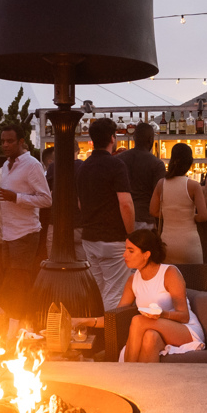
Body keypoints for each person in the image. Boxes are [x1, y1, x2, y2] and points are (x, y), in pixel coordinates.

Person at [76, 229, 205, 362]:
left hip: (185, 330)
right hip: (155, 333)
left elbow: (184, 316)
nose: (124, 255)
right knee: (150, 337)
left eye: (131, 251)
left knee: (138, 320)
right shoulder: (133, 280)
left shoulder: (169, 273)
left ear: (146, 254)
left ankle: (126, 372)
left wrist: (160, 314)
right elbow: (115, 317)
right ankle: (144, 381)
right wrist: (83, 321)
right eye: (126, 249)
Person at [0, 123, 51, 302]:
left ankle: (21, 322)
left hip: (25, 233)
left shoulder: (32, 165)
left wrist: (16, 198)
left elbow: (46, 200)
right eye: (3, 141)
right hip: (7, 234)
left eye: (10, 141)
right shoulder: (6, 165)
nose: (5, 145)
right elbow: (12, 199)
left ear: (21, 141)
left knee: (19, 283)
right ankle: (15, 321)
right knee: (11, 282)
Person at [76, 117, 136, 311]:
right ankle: (112, 337)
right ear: (113, 138)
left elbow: (79, 202)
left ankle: (99, 332)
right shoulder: (116, 165)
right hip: (113, 239)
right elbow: (125, 203)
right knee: (116, 291)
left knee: (100, 289)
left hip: (90, 238)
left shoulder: (83, 167)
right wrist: (131, 234)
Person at [151, 143, 207, 265]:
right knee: (194, 281)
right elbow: (203, 216)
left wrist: (170, 214)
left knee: (169, 280)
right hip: (189, 243)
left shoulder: (161, 184)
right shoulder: (193, 186)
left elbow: (153, 211)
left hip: (167, 242)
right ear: (189, 162)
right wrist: (189, 216)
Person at [121, 122, 167, 231]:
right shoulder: (157, 164)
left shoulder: (119, 159)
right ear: (151, 139)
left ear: (134, 138)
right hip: (145, 219)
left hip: (121, 218)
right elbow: (160, 196)